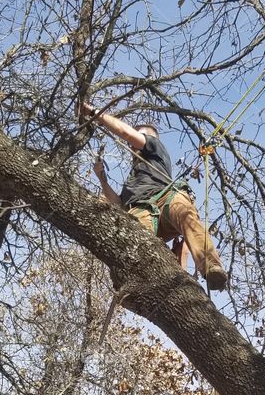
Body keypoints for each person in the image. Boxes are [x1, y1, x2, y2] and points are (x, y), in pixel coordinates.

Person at [82, 102, 228, 291]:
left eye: (141, 136)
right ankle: (167, 279)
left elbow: (127, 134)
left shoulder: (155, 148)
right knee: (138, 243)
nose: (131, 144)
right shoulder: (133, 180)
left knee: (186, 215)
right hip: (141, 211)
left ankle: (210, 267)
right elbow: (118, 203)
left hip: (166, 199)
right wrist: (102, 180)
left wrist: (95, 113)